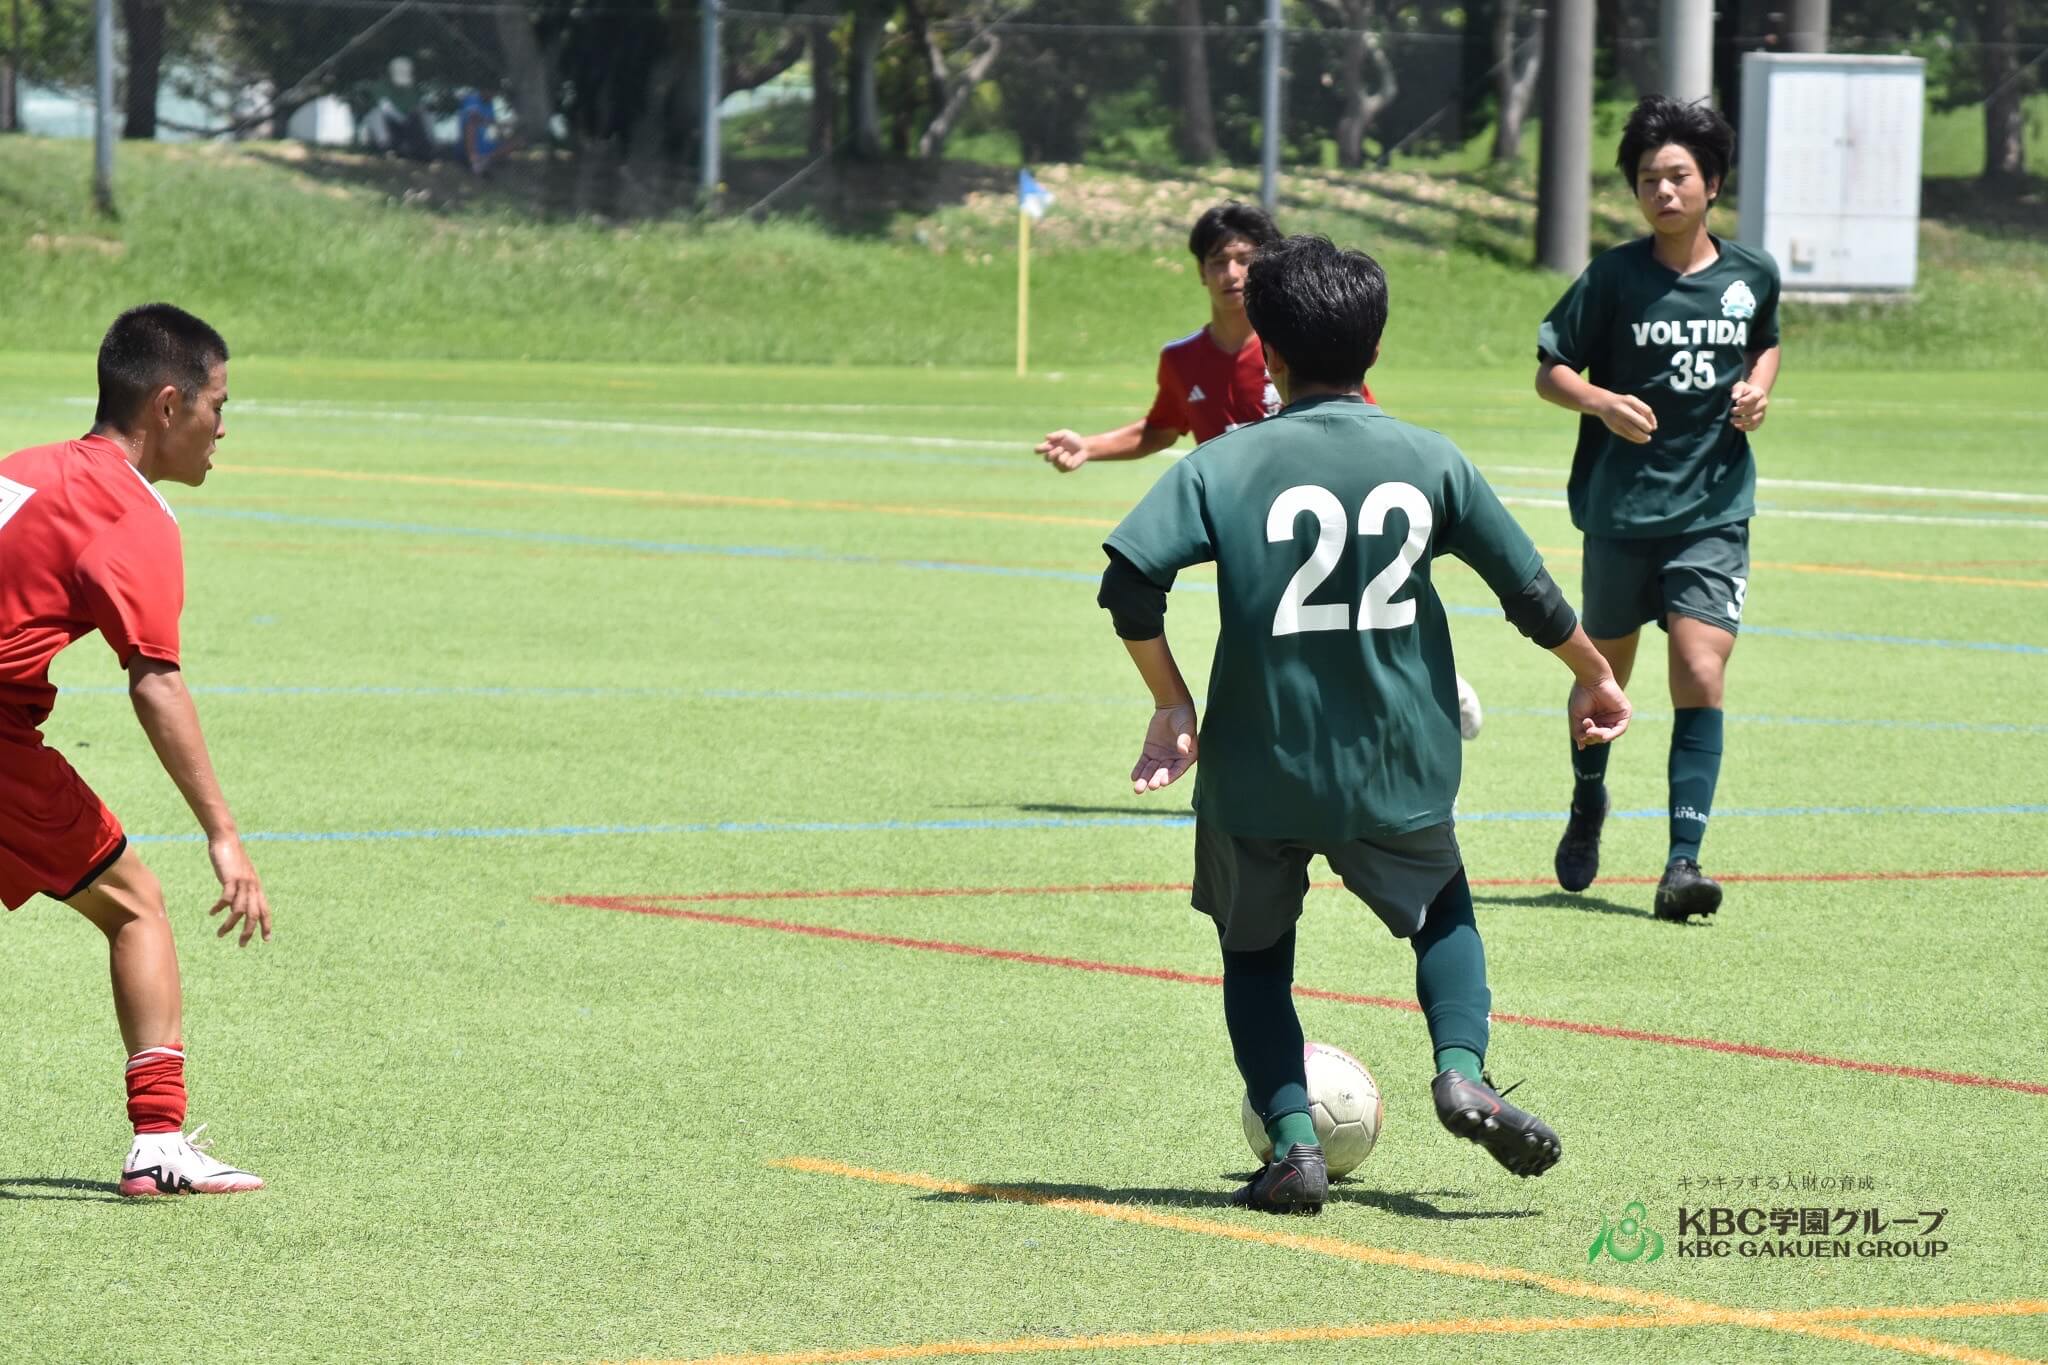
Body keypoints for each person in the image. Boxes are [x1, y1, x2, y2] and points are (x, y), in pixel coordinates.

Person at [1097, 236, 1632, 1214]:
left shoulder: (1223, 463)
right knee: (1443, 913)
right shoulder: (1427, 457)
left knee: (1255, 956)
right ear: (1374, 349)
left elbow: (1128, 580)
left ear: (1268, 347)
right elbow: (1526, 589)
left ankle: (1293, 1144)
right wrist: (1592, 674)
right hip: (1398, 759)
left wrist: (1171, 702)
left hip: (1259, 761)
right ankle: (1460, 1069)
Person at [0, 304, 273, 1197]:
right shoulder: (135, 516)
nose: (222, 428)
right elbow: (155, 680)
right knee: (137, 906)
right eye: (217, 405)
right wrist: (223, 833)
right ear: (167, 404)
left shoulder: (20, 469)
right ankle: (158, 1141)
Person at [1041, 202, 1485, 740]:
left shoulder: (1303, 348)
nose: (1231, 273)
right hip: (1248, 527)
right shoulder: (1182, 359)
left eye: (1244, 259)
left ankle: (1430, 687)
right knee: (1279, 644)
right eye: (1217, 260)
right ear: (1200, 271)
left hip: (1318, 516)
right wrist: (1089, 446)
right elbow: (1161, 428)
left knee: (1345, 630)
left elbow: (1357, 424)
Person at [1535, 95, 1780, 922]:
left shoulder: (1751, 276)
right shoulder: (1613, 277)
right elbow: (1550, 370)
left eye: (1678, 176)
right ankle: (1588, 797)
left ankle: (1683, 862)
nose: (1663, 191)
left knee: (1700, 670)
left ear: (1713, 183)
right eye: (1648, 179)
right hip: (1621, 511)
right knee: (1602, 683)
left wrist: (1758, 389)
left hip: (1713, 507)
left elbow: (1765, 341)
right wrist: (1601, 401)